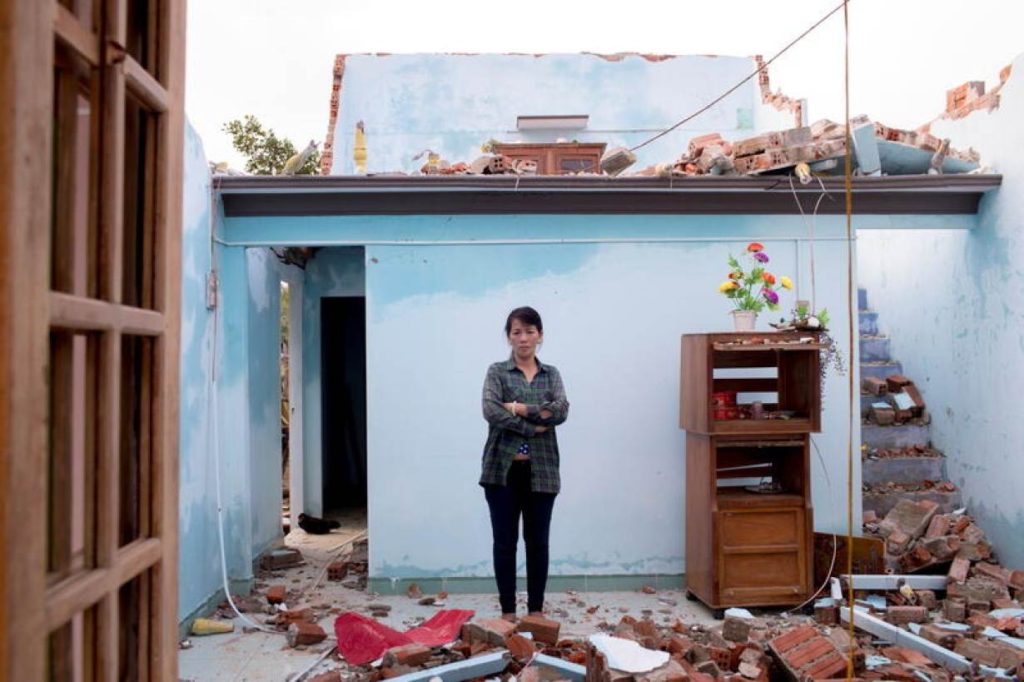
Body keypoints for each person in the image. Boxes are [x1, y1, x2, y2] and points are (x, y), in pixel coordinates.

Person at [479, 306, 569, 621]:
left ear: (540, 335)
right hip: (502, 471)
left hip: (542, 470)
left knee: (538, 542)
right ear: (509, 337)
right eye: (517, 331)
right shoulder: (496, 372)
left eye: (530, 331)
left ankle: (535, 610)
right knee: (505, 542)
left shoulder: (552, 375)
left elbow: (560, 411)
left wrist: (517, 407)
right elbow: (491, 410)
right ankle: (507, 611)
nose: (523, 338)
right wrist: (533, 423)